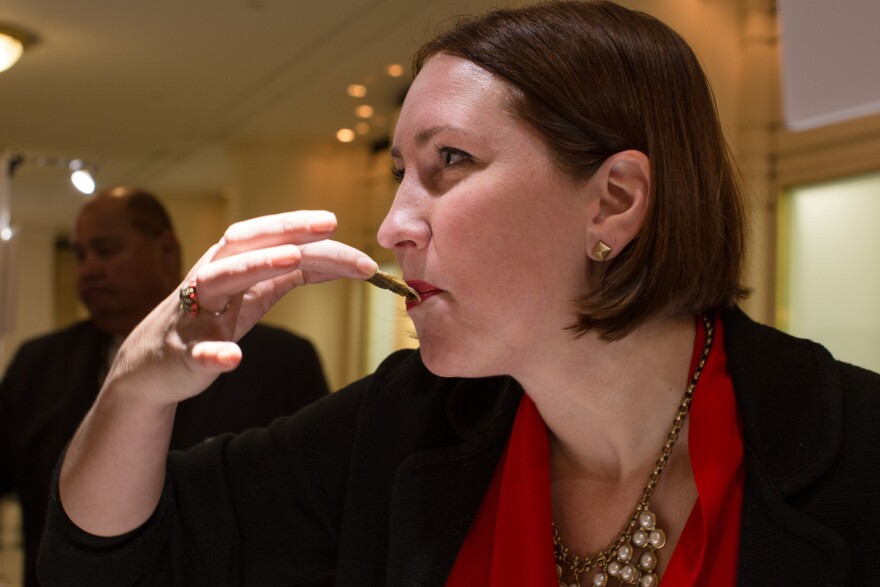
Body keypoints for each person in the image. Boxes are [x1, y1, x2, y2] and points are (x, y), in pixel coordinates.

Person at [37, 2, 880, 585]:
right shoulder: (402, 423)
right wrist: (137, 386)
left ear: (614, 199)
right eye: (402, 172)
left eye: (451, 162)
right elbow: (111, 560)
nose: (394, 225)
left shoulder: (853, 448)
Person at [0, 187, 329, 587]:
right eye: (80, 255)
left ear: (166, 251)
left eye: (105, 251)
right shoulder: (37, 364)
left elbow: (313, 516)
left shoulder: (280, 361)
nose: (87, 269)